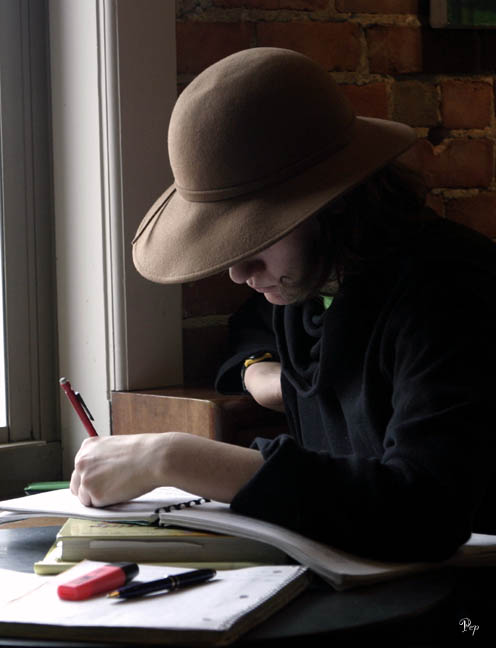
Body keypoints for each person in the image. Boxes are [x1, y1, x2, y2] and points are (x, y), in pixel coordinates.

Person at [70, 47, 496, 562]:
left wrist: (174, 456)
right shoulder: (310, 286)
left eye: (256, 239)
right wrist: (258, 370)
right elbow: (252, 326)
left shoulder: (451, 292)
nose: (238, 272)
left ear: (335, 201)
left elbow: (422, 510)